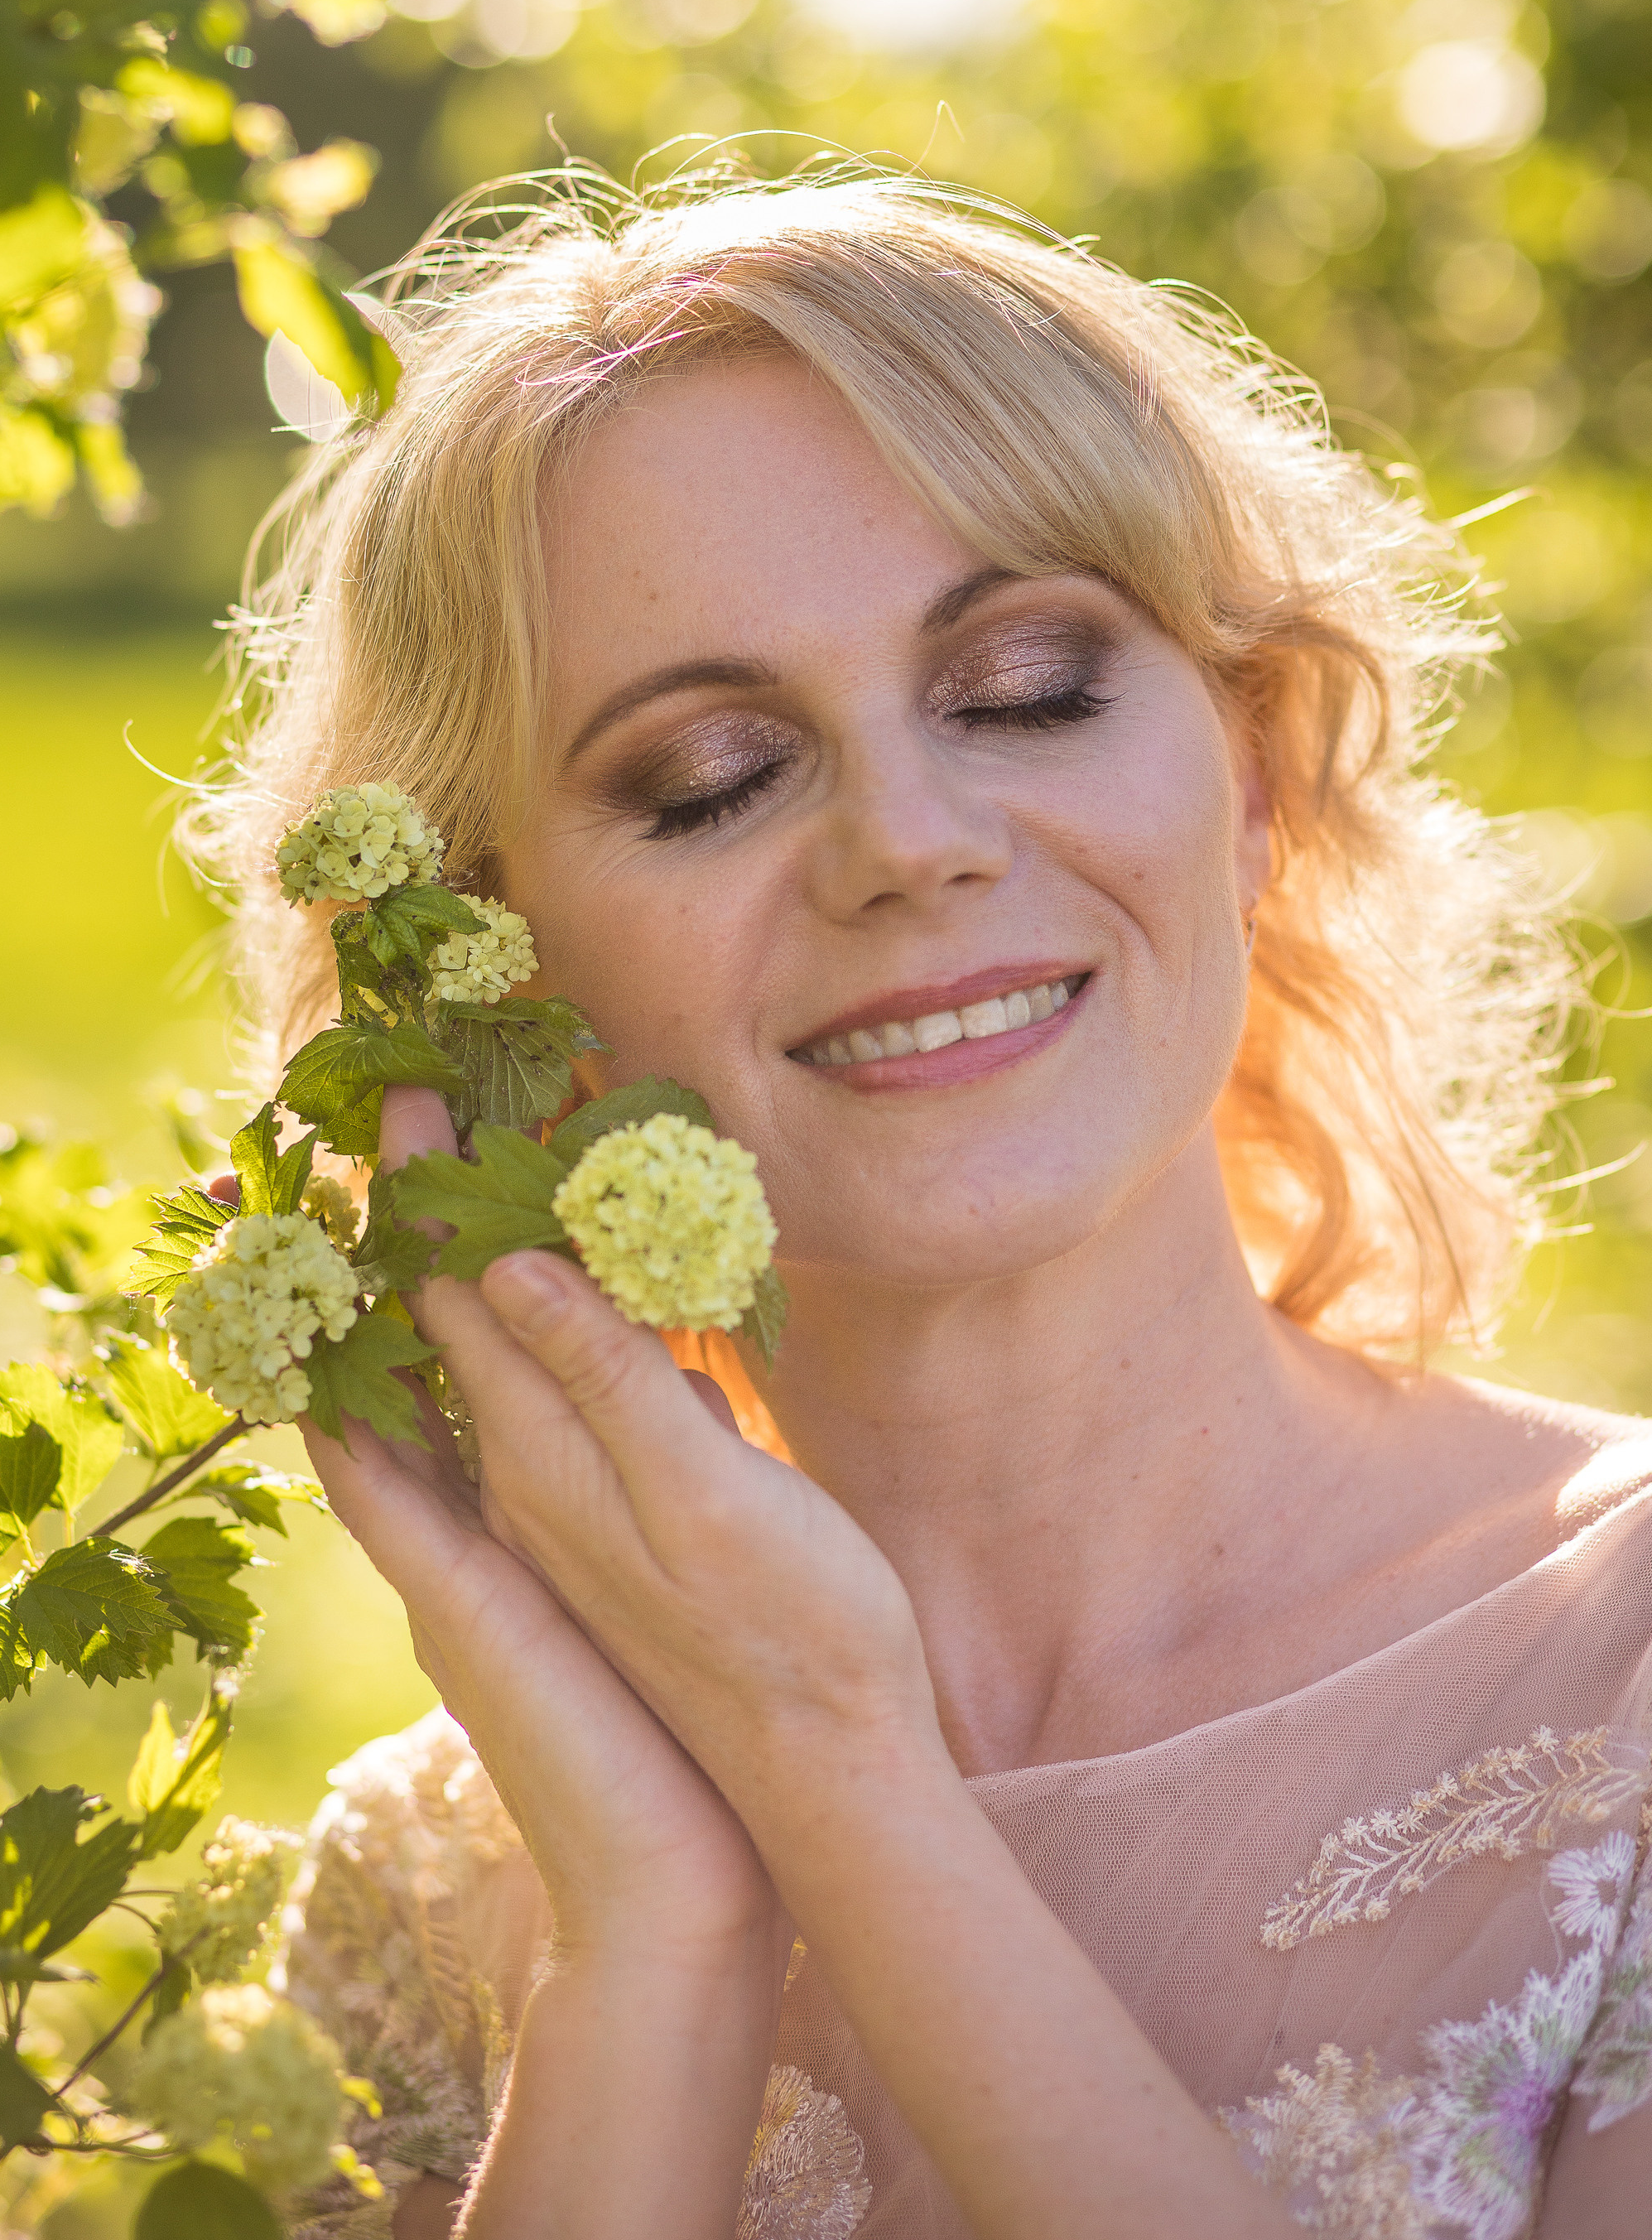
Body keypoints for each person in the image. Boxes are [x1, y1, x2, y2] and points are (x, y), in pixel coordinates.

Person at [195, 169, 1652, 2238]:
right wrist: (654, 1949)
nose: (909, 839)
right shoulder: (434, 1893)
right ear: (501, 988)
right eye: (710, 778)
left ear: (1248, 780)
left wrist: (830, 1767)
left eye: (1027, 685)